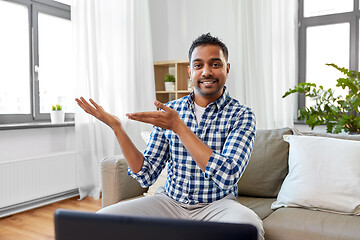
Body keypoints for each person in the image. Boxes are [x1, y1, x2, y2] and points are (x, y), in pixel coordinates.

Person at [76, 33, 264, 239]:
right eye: (198, 65)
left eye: (215, 64)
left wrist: (179, 128)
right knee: (102, 219)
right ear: (189, 71)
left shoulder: (242, 115)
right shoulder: (171, 111)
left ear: (227, 68)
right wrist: (117, 128)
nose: (207, 72)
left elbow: (227, 175)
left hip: (217, 205)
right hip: (170, 202)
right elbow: (146, 174)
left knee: (250, 227)